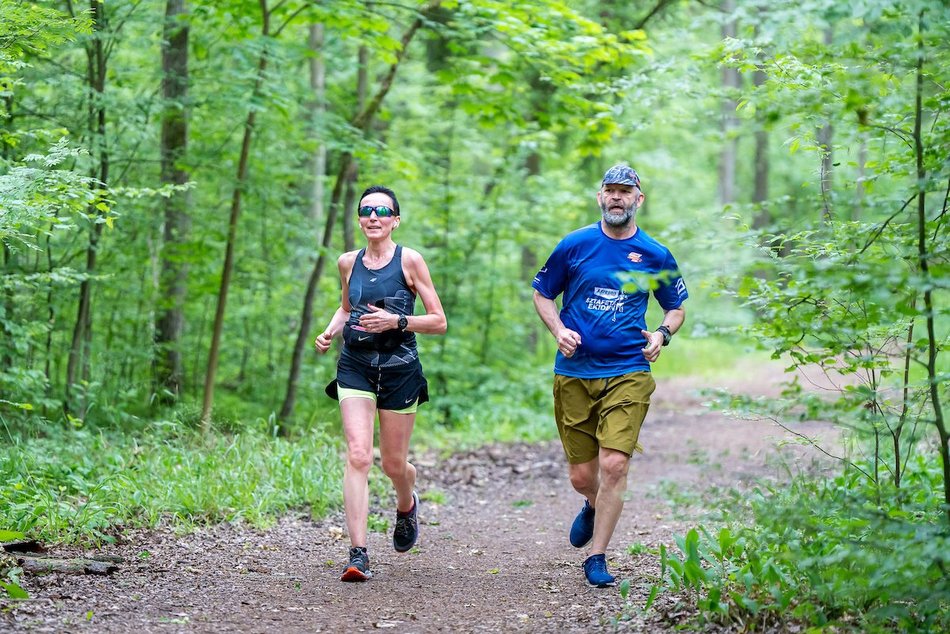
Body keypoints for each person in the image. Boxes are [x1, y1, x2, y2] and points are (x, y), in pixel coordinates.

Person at [532, 164, 688, 587]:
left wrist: (661, 334)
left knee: (615, 464)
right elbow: (543, 293)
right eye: (610, 190)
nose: (617, 197)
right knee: (583, 477)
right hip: (575, 372)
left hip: (628, 370)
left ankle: (597, 557)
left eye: (626, 191)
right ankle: (592, 502)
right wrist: (558, 329)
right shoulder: (574, 245)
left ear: (639, 199)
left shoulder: (655, 253)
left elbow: (676, 307)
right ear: (600, 196)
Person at [314, 184, 447, 582]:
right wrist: (330, 331)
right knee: (358, 455)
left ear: (395, 220)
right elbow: (346, 307)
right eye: (366, 210)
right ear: (359, 219)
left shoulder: (411, 262)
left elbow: (438, 321)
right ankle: (358, 553)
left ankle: (406, 504)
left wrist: (397, 321)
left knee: (392, 464)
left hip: (399, 368)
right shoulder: (346, 262)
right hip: (354, 365)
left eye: (382, 211)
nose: (373, 217)